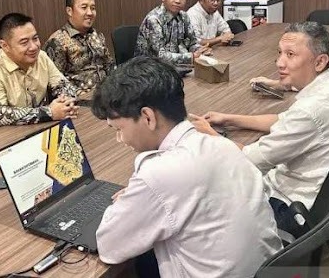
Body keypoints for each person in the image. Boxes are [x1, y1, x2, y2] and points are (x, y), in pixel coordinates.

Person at [92, 57, 282, 277]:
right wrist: (147, 194)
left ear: (147, 117)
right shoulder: (222, 145)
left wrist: (139, 193)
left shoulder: (159, 174)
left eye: (119, 129)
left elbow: (109, 247)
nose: (120, 139)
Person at [190, 22, 329, 234]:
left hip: (290, 206)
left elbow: (249, 160)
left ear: (320, 62)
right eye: (280, 53)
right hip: (325, 198)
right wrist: (230, 119)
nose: (279, 62)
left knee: (202, 189)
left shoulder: (311, 110)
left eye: (290, 54)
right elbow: (283, 120)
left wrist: (210, 134)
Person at [0, 13, 78, 135]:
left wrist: (65, 102)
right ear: (5, 46)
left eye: (35, 38)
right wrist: (49, 112)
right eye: (24, 42)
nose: (34, 47)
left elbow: (64, 86)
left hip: (35, 129)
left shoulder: (41, 57)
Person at [43, 0, 114, 100]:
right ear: (69, 11)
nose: (90, 13)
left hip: (107, 94)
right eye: (84, 7)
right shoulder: (57, 41)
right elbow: (55, 83)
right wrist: (80, 96)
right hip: (80, 100)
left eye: (93, 8)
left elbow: (109, 65)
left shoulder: (96, 35)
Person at [135, 0, 210, 66]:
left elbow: (192, 43)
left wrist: (200, 50)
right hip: (149, 69)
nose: (178, 1)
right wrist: (191, 57)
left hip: (176, 67)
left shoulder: (184, 16)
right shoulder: (154, 20)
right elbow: (160, 56)